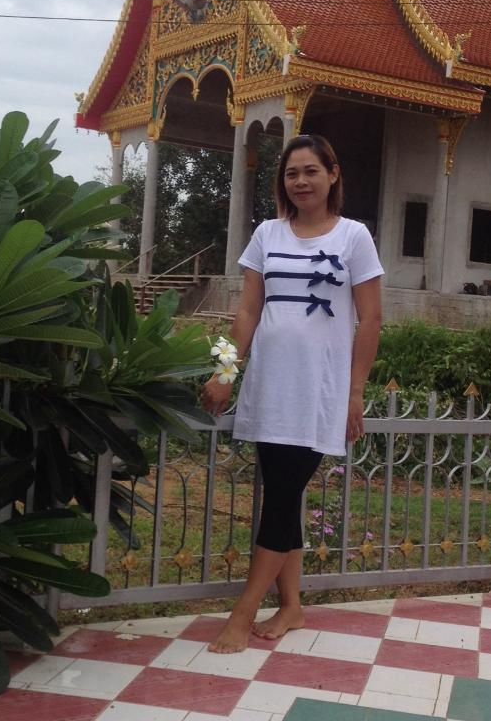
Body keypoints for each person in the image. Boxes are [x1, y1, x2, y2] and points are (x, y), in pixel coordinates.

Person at [200, 134, 383, 654]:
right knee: (284, 495)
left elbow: (371, 319)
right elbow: (247, 310)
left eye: (310, 171)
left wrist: (354, 393)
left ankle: (243, 613)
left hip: (318, 391)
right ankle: (292, 607)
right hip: (270, 385)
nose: (300, 181)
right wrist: (226, 371)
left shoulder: (353, 237)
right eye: (291, 173)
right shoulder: (267, 234)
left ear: (333, 174)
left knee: (281, 498)